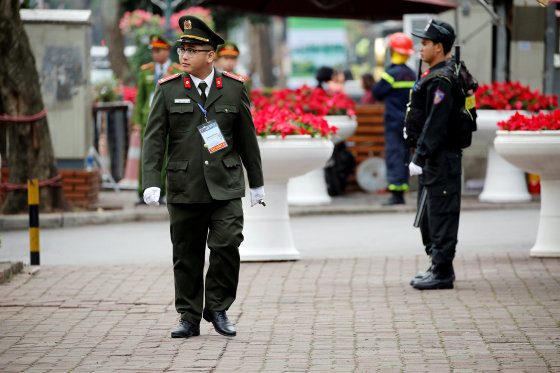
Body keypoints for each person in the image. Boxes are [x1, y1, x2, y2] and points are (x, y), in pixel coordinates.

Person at [141, 15, 265, 338]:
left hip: (225, 185)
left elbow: (247, 139)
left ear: (211, 55)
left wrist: (257, 182)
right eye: (182, 48)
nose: (184, 55)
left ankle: (218, 307)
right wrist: (151, 180)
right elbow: (154, 138)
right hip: (184, 186)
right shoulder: (168, 91)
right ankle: (188, 316)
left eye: (193, 49)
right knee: (186, 253)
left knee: (228, 244)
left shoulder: (234, 89)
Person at [407, 19, 464, 290]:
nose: (421, 47)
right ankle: (438, 266)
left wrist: (420, 155)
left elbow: (436, 121)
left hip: (440, 157)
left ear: (439, 47)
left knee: (441, 214)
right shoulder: (437, 73)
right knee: (430, 214)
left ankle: (442, 273)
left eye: (426, 43)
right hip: (435, 157)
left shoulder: (442, 78)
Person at [133, 35, 182, 205]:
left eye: (158, 50)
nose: (155, 54)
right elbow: (140, 98)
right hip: (148, 120)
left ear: (167, 50)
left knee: (166, 156)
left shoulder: (177, 71)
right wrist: (137, 122)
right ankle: (143, 191)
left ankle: (160, 192)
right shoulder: (146, 70)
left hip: (169, 120)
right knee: (146, 156)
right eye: (153, 50)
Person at [372, 32, 416, 205]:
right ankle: (401, 189)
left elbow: (376, 92)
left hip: (392, 123)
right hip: (408, 122)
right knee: (405, 156)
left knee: (393, 156)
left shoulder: (389, 75)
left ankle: (396, 194)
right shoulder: (412, 74)